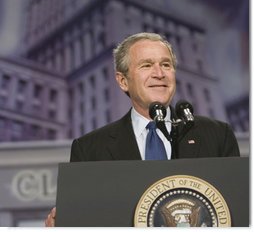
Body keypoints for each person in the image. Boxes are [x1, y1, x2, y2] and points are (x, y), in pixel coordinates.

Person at [45, 32, 240, 226]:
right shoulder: (89, 149)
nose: (159, 73)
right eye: (146, 65)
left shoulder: (216, 135)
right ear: (123, 81)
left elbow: (237, 212)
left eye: (166, 65)